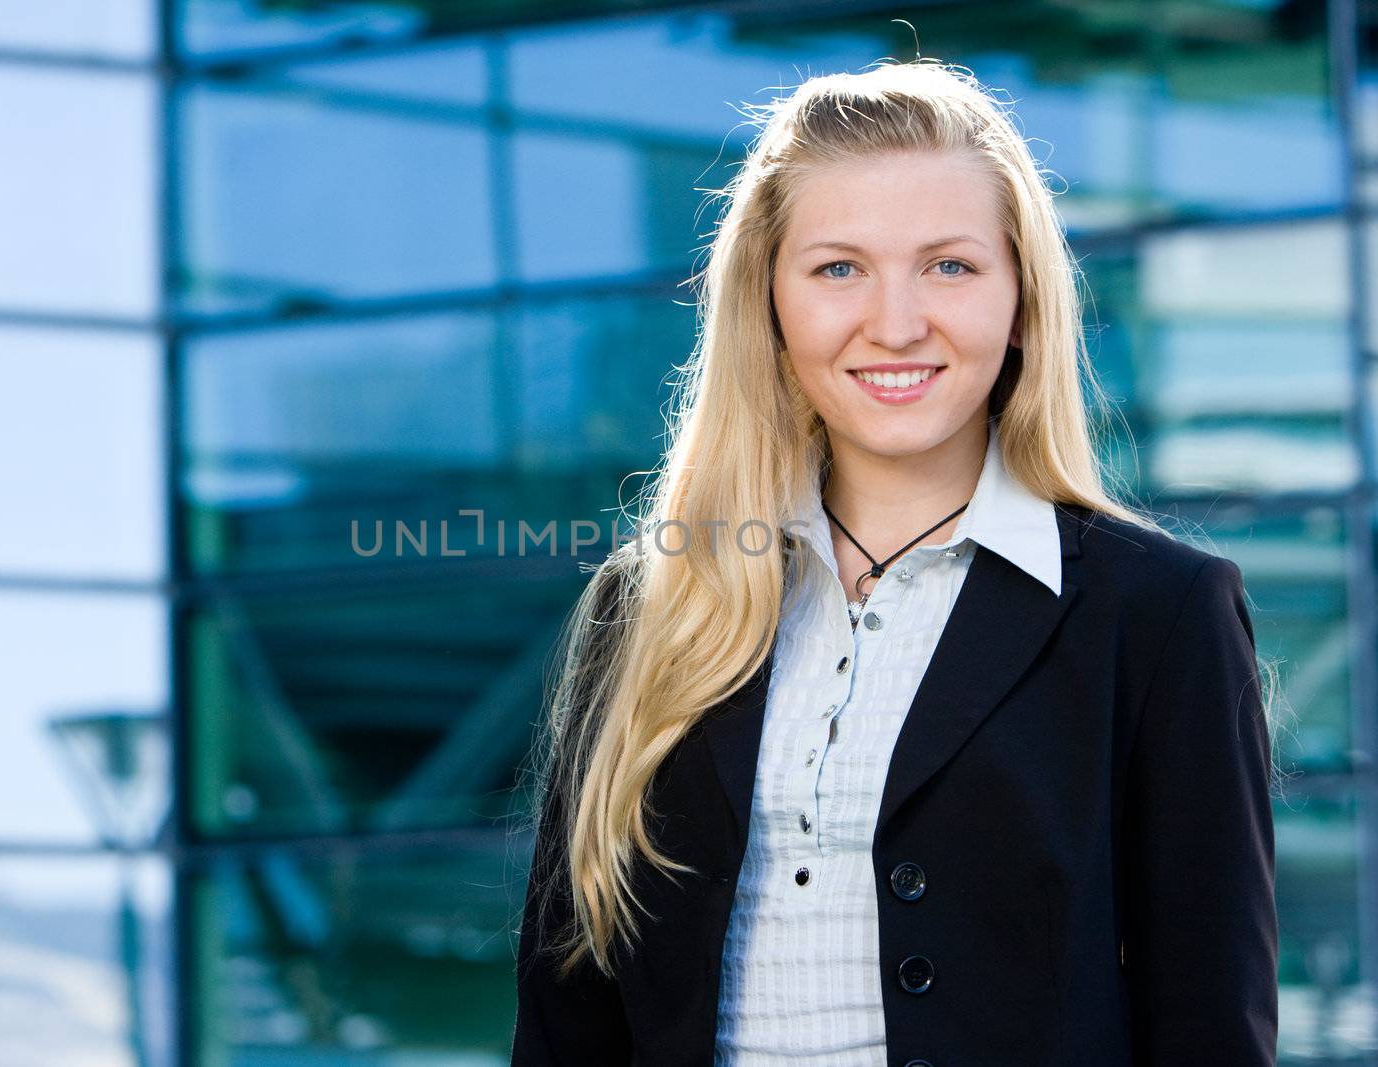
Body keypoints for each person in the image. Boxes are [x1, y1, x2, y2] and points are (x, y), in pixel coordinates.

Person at [511, 60, 1281, 1066]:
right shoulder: (654, 599)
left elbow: (1210, 1027)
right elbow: (567, 1022)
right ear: (769, 303)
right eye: (838, 268)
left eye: (949, 266)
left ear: (1021, 296)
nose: (897, 322)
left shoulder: (1158, 613)